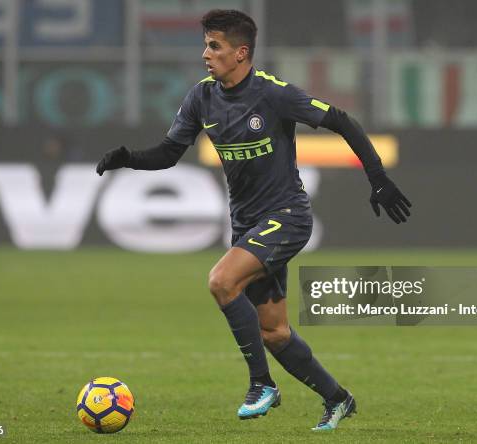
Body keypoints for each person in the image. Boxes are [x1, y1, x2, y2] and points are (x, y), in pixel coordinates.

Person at [96, 9, 411, 431]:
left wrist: (378, 179)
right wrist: (130, 159)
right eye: (206, 45)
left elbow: (341, 120)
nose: (206, 54)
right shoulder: (201, 97)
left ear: (241, 52)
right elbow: (170, 152)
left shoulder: (274, 94)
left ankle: (262, 384)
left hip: (287, 216)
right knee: (275, 332)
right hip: (246, 225)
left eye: (215, 46)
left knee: (222, 282)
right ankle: (338, 399)